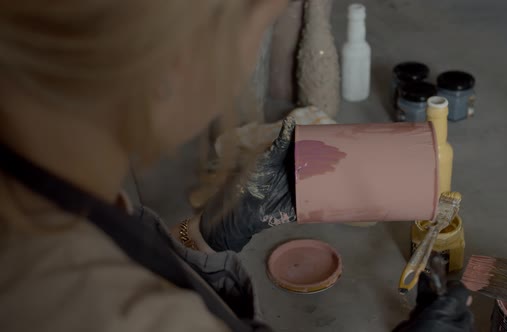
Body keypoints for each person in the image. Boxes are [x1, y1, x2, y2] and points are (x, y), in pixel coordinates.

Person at [0, 1, 473, 331]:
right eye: (259, 29)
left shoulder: (52, 185)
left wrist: (205, 243)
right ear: (175, 57)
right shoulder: (113, 312)